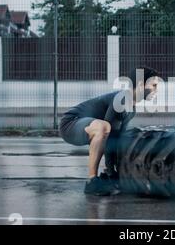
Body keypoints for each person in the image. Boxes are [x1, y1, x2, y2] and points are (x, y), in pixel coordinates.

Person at [59, 66, 160, 195]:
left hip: (86, 126)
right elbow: (110, 136)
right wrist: (111, 171)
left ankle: (109, 175)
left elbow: (117, 139)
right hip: (70, 123)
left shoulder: (131, 108)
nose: (157, 90)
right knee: (104, 127)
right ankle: (91, 181)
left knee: (119, 134)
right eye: (154, 85)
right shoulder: (122, 100)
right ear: (141, 84)